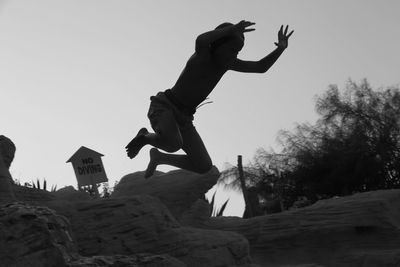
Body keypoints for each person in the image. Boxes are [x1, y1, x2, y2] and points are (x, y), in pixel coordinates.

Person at [126, 20, 294, 178]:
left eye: (237, 52)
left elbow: (260, 67)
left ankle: (159, 158)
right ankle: (145, 137)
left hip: (184, 118)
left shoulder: (227, 64)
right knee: (173, 143)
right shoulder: (202, 57)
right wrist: (230, 29)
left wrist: (280, 48)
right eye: (231, 49)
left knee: (203, 164)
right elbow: (201, 39)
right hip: (165, 107)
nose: (233, 55)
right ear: (217, 45)